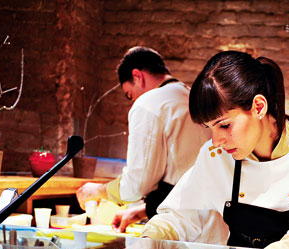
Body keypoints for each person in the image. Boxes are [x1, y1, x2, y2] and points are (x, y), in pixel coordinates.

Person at [105, 50, 289, 249]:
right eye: (210, 128)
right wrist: (143, 245)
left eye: (224, 125)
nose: (216, 140)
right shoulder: (218, 155)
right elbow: (182, 213)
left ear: (258, 107)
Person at [75, 46, 208, 231]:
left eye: (130, 94)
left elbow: (136, 185)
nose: (133, 101)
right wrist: (140, 212)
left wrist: (97, 191)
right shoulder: (192, 96)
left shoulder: (148, 103)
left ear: (137, 76)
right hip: (206, 221)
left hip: (179, 229)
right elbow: (183, 178)